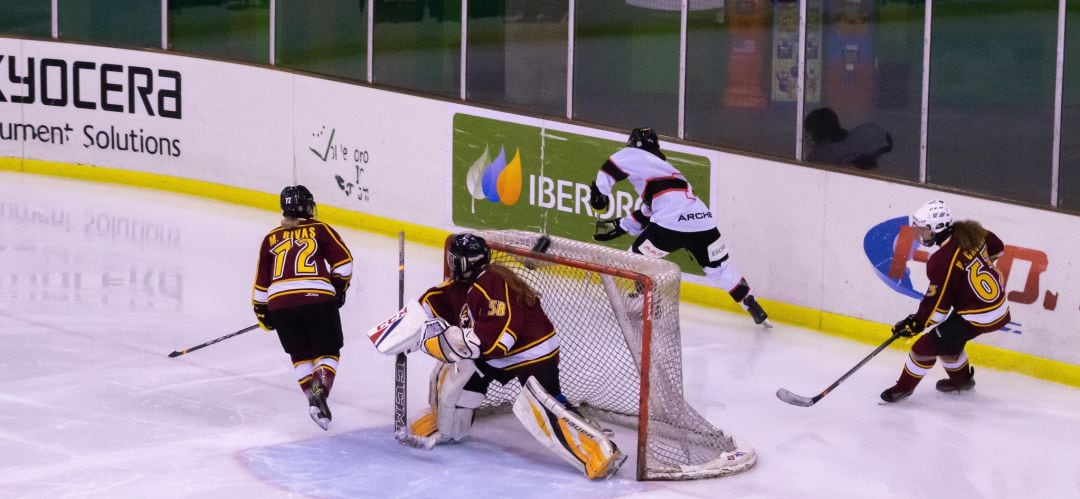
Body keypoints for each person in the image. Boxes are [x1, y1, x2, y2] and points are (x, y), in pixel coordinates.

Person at [406, 233, 625, 480]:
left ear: (466, 262)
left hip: (532, 353)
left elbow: (499, 341)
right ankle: (446, 424)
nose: (452, 263)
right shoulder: (464, 286)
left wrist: (456, 344)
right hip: (495, 355)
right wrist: (408, 326)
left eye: (455, 259)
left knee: (542, 406)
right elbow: (433, 302)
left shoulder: (492, 282)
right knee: (457, 377)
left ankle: (598, 450)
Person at [588, 127, 770, 327]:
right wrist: (623, 226)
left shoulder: (634, 155)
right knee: (719, 269)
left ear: (634, 144)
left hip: (671, 224)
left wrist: (600, 193)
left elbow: (611, 166)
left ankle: (649, 306)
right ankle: (750, 303)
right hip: (703, 222)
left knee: (637, 259)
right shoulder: (666, 169)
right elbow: (650, 211)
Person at [880, 200, 1011, 403]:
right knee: (949, 342)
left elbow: (938, 306)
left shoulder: (942, 260)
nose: (921, 235)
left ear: (939, 229)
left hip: (977, 315)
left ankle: (903, 388)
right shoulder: (974, 233)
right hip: (997, 307)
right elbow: (997, 247)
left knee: (923, 348)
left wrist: (917, 323)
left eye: (924, 230)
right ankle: (962, 381)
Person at [252, 185, 353, 429]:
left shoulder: (270, 238)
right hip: (317, 299)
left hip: (279, 303)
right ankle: (319, 393)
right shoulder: (320, 229)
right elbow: (344, 265)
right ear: (308, 207)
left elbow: (260, 287)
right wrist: (336, 291)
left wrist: (265, 314)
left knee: (300, 354)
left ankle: (313, 402)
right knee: (328, 351)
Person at [803, 107, 892, 170]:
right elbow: (886, 140)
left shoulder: (820, 154)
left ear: (817, 132)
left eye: (811, 131)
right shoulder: (863, 133)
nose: (810, 136)